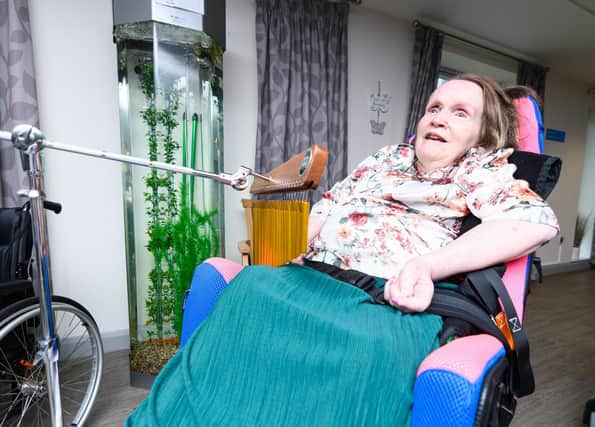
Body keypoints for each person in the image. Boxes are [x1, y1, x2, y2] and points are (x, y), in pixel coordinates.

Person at [126, 75, 558, 426]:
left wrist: (429, 265)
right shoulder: (385, 159)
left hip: (384, 303)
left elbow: (534, 223)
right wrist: (300, 242)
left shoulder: (481, 170)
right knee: (252, 287)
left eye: (460, 113)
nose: (440, 119)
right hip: (315, 277)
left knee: (367, 350)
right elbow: (329, 207)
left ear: (485, 135)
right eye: (434, 108)